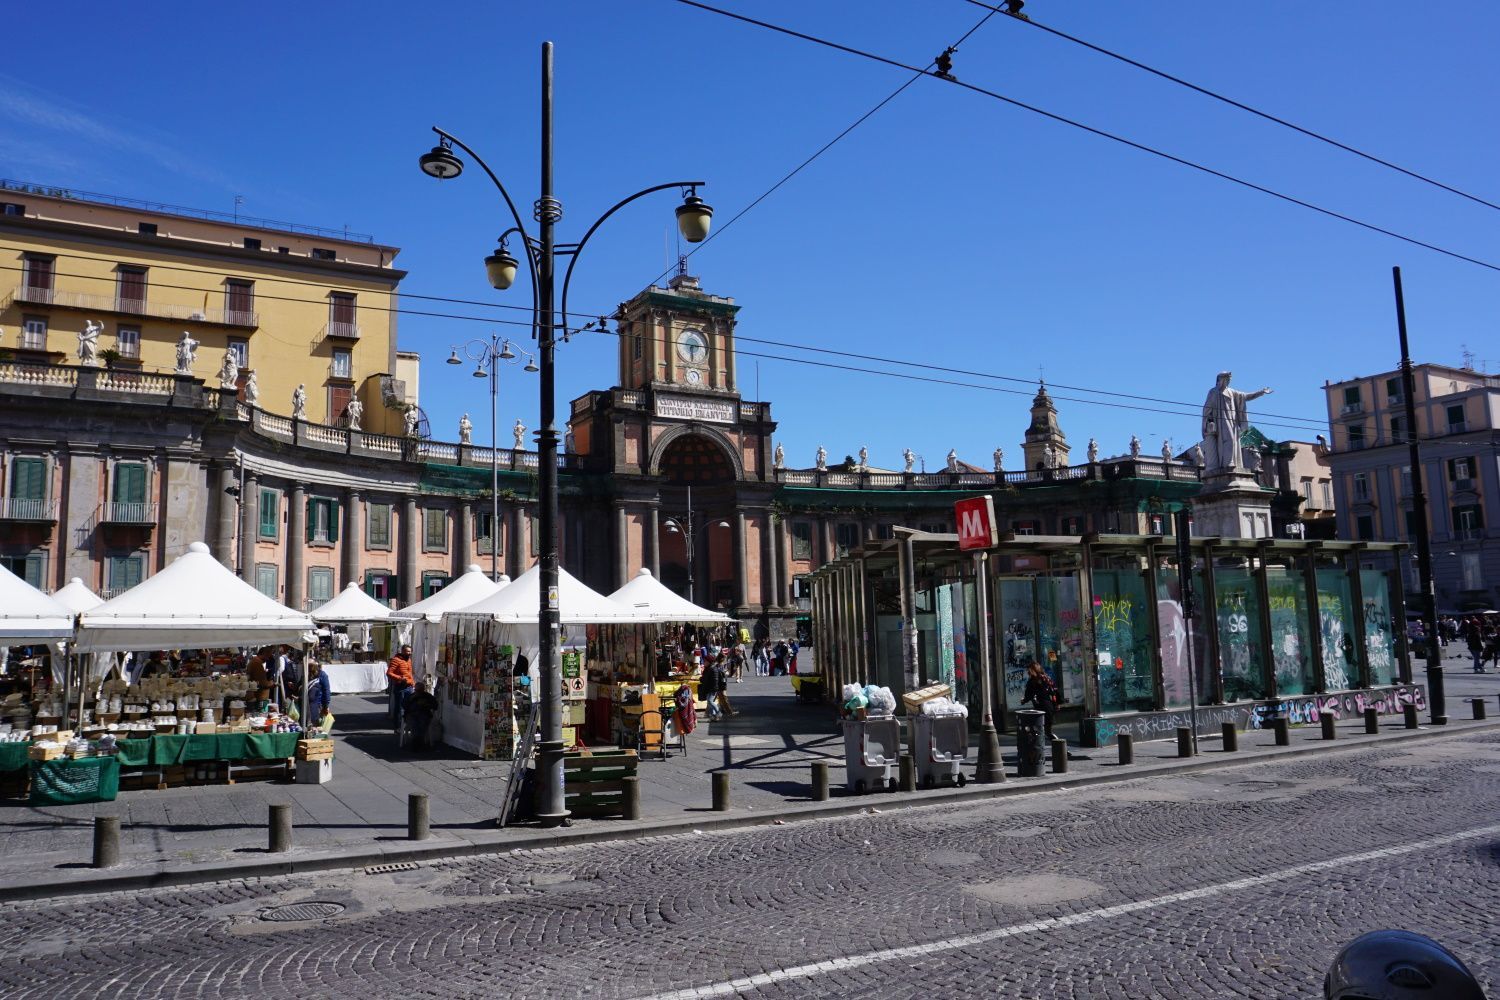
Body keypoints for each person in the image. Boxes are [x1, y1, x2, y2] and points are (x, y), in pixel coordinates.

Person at [1021, 662, 1060, 739]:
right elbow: (1054, 691)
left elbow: (1029, 695)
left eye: (1029, 670)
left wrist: (1024, 701)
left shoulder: (1032, 681)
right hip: (1048, 708)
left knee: (1040, 730)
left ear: (1033, 670)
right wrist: (1057, 704)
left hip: (1041, 709)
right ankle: (1058, 745)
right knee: (1046, 731)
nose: (1028, 672)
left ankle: (1059, 745)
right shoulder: (1046, 678)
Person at [387, 643, 414, 733]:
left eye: (410, 651)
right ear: (402, 651)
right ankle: (397, 727)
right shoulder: (396, 660)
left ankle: (407, 726)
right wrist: (400, 678)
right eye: (407, 651)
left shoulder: (409, 660)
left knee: (409, 707)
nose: (409, 653)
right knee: (399, 708)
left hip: (409, 686)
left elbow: (409, 673)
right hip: (400, 687)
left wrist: (412, 682)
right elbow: (389, 673)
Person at [305, 659, 333, 731]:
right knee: (313, 726)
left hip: (317, 705)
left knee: (315, 726)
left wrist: (325, 705)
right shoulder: (306, 674)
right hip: (307, 705)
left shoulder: (322, 675)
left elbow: (326, 691)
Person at [699, 655, 723, 721]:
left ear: (709, 662)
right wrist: (702, 679)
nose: (703, 662)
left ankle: (718, 712)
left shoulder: (713, 669)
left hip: (713, 688)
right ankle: (713, 716)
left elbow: (715, 680)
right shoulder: (708, 668)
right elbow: (706, 678)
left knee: (710, 701)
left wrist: (715, 689)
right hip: (709, 687)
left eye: (705, 661)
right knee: (709, 702)